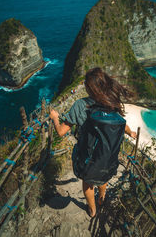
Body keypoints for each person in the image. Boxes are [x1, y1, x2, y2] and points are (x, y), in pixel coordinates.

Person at [50, 67, 137, 217]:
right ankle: (101, 199)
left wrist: (55, 118)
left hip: (88, 158)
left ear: (89, 87)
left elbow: (61, 132)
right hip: (108, 158)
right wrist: (130, 132)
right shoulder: (111, 102)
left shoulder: (80, 105)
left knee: (88, 183)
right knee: (102, 178)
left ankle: (92, 210)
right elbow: (120, 122)